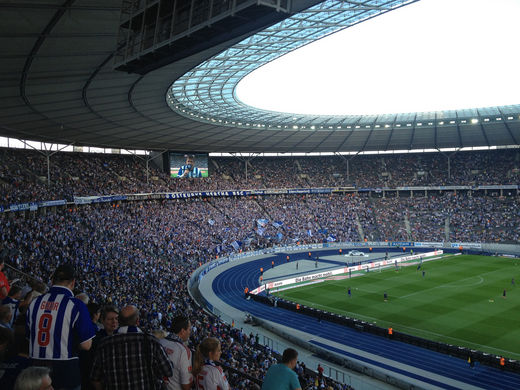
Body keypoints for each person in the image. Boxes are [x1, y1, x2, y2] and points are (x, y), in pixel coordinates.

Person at [26, 264, 95, 390]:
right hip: (65, 369)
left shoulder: (34, 302)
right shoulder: (76, 305)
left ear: (53, 281)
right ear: (73, 283)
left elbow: (29, 336)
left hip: (35, 368)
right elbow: (86, 345)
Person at [91, 305, 173, 390]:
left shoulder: (104, 344)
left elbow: (95, 378)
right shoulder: (151, 341)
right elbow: (168, 371)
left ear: (119, 320)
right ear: (137, 321)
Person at [160, 315, 193, 390]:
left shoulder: (159, 342)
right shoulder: (184, 351)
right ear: (182, 331)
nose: (189, 332)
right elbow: (186, 386)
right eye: (189, 329)